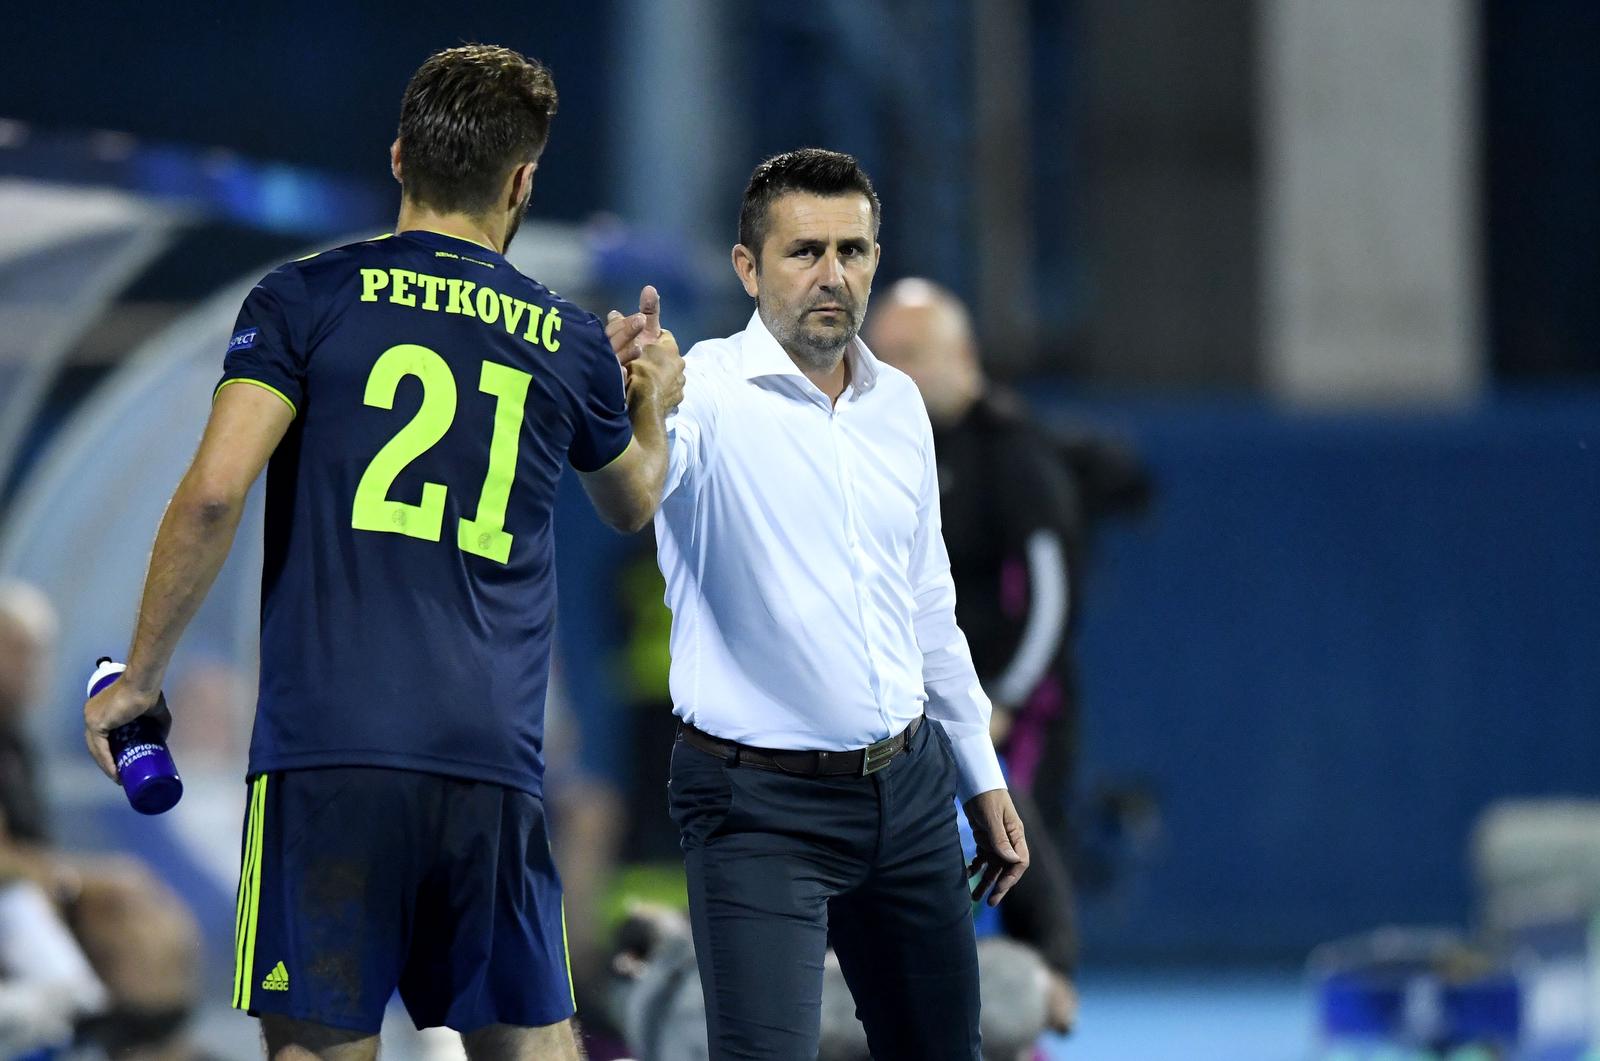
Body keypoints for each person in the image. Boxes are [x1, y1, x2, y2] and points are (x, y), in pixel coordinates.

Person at [83, 45, 683, 1061]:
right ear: (523, 179)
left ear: (401, 156)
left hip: (328, 754)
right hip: (491, 758)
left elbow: (215, 493)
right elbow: (634, 500)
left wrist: (138, 679)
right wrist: (652, 404)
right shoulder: (568, 339)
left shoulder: (302, 300)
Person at [648, 147, 1027, 1060]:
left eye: (853, 251)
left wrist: (978, 767)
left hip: (909, 791)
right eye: (804, 251)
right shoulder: (699, 392)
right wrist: (635, 413)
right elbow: (634, 490)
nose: (834, 275)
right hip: (756, 808)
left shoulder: (897, 404)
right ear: (748, 267)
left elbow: (927, 603)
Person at [866, 279, 1088, 1033]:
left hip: (1006, 709)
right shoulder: (877, 446)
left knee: (1014, 850)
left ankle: (1036, 1009)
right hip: (911, 708)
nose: (892, 370)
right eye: (883, 354)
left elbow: (1051, 592)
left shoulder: (1008, 450)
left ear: (962, 358)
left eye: (910, 355)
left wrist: (1005, 698)